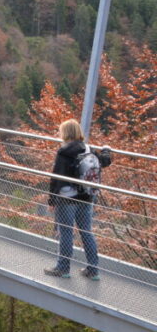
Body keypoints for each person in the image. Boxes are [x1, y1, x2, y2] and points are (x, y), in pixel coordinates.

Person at [44, 119, 111, 280]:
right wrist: (107, 150)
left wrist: (52, 200)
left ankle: (63, 268)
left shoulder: (64, 151)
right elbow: (105, 162)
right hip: (87, 197)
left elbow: (56, 178)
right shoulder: (89, 149)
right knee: (86, 232)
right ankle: (93, 269)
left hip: (67, 198)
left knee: (66, 232)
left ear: (65, 133)